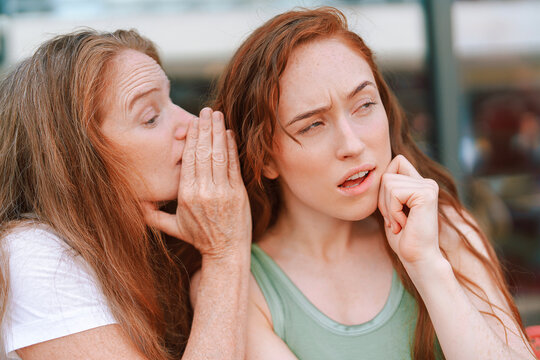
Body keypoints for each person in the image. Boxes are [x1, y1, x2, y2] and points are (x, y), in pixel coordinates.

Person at [207, 7, 536, 360]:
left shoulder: (445, 230)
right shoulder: (243, 286)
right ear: (266, 158)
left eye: (364, 105)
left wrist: (426, 264)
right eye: (312, 125)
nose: (352, 144)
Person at [0, 29, 251, 359]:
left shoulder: (148, 246)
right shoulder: (32, 252)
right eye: (150, 117)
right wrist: (225, 254)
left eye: (171, 100)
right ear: (75, 158)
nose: (191, 123)